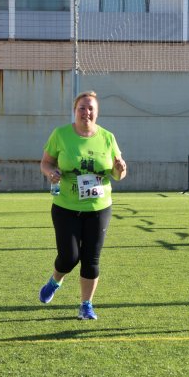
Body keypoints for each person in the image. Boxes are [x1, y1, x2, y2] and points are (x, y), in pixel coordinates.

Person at [38, 90, 127, 320]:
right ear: (74, 111)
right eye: (82, 108)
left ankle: (86, 304)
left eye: (91, 109)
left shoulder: (107, 137)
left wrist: (120, 167)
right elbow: (46, 162)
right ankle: (55, 281)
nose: (86, 112)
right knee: (69, 257)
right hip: (66, 206)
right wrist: (51, 172)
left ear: (96, 113)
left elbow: (119, 174)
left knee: (91, 258)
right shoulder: (61, 135)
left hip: (98, 208)